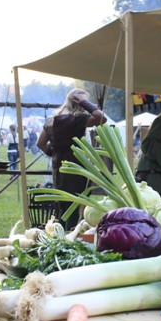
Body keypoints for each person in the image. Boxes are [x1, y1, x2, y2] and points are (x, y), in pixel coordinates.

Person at [37, 89, 106, 229]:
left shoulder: (51, 120)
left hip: (58, 167)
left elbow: (41, 144)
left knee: (63, 205)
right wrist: (85, 102)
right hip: (76, 167)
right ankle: (68, 236)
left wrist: (55, 154)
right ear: (77, 102)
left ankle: (61, 234)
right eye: (83, 101)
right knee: (74, 206)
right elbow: (101, 118)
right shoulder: (77, 119)